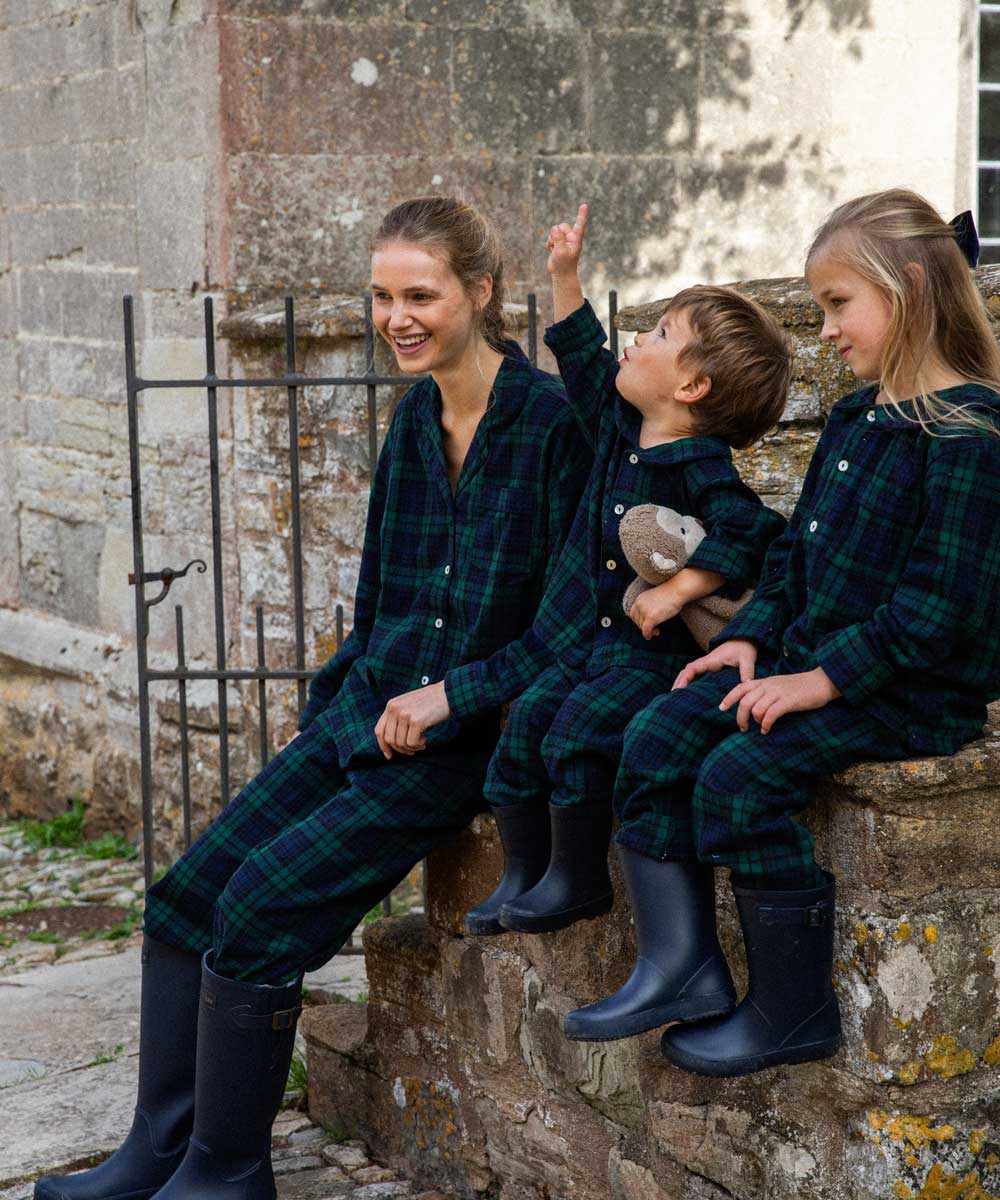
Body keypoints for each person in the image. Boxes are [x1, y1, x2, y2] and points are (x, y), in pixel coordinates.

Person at [35, 196, 592, 1200]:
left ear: (479, 292)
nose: (396, 316)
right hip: (361, 720)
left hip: (460, 749)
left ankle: (226, 1170)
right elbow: (381, 587)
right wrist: (330, 698)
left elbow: (569, 628)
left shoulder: (550, 426)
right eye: (381, 296)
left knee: (255, 913)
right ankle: (155, 1151)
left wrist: (450, 696)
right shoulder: (417, 417)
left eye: (419, 294)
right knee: (182, 899)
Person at [566, 189, 1000, 1071]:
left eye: (840, 303)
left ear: (909, 290)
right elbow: (797, 557)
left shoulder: (969, 438)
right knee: (655, 730)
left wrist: (819, 681)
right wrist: (752, 638)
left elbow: (937, 613)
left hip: (907, 691)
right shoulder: (855, 416)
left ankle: (793, 1010)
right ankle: (679, 963)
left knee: (739, 773)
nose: (827, 328)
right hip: (811, 662)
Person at [464, 203, 789, 944]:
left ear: (693, 387)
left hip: (646, 660)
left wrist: (680, 588)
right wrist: (564, 275)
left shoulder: (702, 467)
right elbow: (583, 362)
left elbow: (751, 532)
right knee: (526, 726)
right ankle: (524, 873)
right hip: (586, 646)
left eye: (660, 335)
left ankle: (578, 880)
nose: (637, 339)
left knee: (576, 732)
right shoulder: (621, 429)